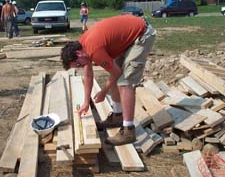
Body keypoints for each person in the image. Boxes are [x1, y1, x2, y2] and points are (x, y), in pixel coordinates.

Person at [60, 15, 156, 146]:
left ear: (78, 54)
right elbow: (88, 76)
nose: (81, 67)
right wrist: (86, 102)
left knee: (124, 82)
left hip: (142, 34)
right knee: (114, 78)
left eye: (78, 65)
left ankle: (128, 130)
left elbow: (116, 73)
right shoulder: (83, 46)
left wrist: (103, 92)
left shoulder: (93, 50)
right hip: (131, 35)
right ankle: (117, 116)